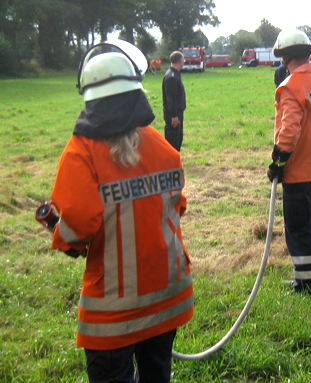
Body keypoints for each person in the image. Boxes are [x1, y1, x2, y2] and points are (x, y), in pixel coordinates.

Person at [50, 40, 193, 383]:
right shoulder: (162, 146)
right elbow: (179, 205)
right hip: (168, 296)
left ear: (88, 94)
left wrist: (62, 236)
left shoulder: (80, 152)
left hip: (113, 312)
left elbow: (77, 227)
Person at [267, 29, 311, 294]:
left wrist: (278, 161)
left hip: (299, 170)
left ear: (287, 57)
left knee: (298, 228)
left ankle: (306, 285)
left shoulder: (292, 85)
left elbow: (290, 130)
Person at [162, 51, 186, 151]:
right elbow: (170, 99)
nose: (184, 62)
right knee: (173, 142)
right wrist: (174, 116)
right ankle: (170, 164)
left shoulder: (175, 74)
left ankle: (175, 162)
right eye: (183, 59)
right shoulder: (171, 77)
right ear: (180, 61)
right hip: (173, 116)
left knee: (178, 139)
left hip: (177, 114)